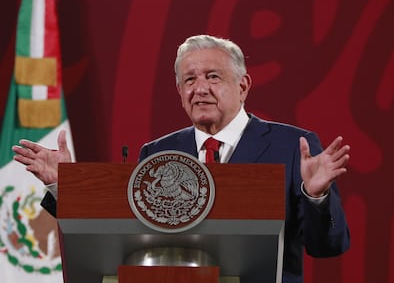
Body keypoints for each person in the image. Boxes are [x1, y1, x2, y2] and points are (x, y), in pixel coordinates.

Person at [13, 34, 350, 282]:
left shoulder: (293, 146)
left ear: (244, 85)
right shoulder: (157, 153)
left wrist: (315, 196)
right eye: (189, 80)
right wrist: (65, 186)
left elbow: (327, 247)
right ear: (179, 91)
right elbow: (115, 228)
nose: (199, 88)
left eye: (212, 77)